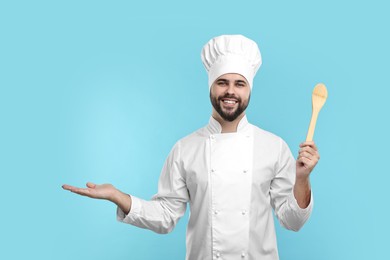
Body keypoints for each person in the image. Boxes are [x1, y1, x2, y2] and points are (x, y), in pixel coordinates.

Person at [62, 34, 320, 260]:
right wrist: (117, 196)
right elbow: (165, 216)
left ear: (249, 90)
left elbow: (292, 221)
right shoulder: (185, 149)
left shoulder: (273, 147)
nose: (230, 91)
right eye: (222, 82)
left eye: (239, 84)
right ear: (211, 86)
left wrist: (302, 180)